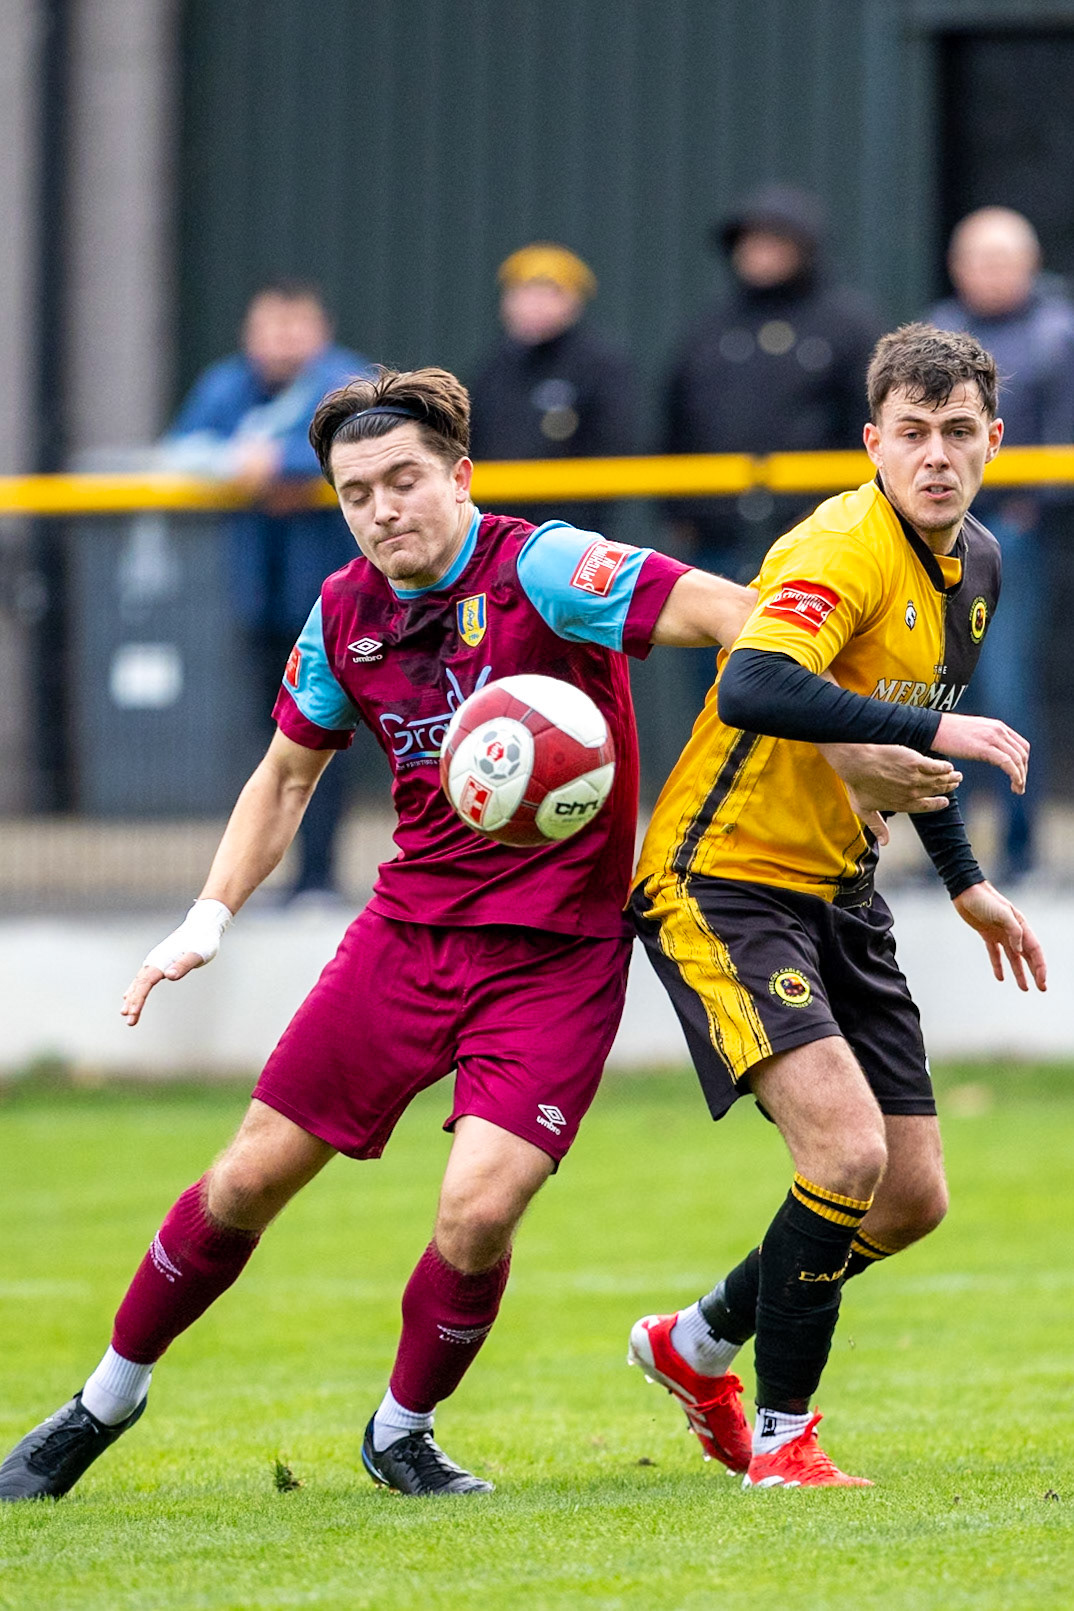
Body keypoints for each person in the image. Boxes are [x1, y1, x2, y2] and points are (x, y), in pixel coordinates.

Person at [0, 363, 769, 1503]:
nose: (382, 510)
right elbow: (283, 779)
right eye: (356, 492)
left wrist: (831, 736)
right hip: (406, 942)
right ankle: (104, 1399)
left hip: (557, 957)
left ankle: (401, 1430)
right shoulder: (342, 613)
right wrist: (207, 918)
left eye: (403, 480)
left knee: (480, 1206)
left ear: (460, 476)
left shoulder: (547, 568)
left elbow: (733, 614)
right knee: (247, 1179)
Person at [626, 324, 1047, 1489]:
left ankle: (695, 1340)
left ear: (993, 442)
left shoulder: (982, 568)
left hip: (838, 890)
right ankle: (782, 1443)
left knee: (910, 1198)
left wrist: (968, 885)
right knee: (848, 1152)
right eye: (911, 434)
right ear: (874, 442)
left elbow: (899, 746)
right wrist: (935, 729)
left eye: (959, 433)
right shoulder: (842, 544)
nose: (936, 457)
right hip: (724, 880)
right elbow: (753, 680)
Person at [161, 279, 373, 901]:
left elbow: (362, 445)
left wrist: (280, 463)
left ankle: (321, 877)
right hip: (258, 597)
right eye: (270, 327)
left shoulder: (348, 382)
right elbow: (180, 451)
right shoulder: (228, 384)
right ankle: (275, 879)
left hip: (341, 601)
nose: (282, 341)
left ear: (321, 330)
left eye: (295, 326)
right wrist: (237, 465)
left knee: (335, 735)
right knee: (276, 742)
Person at [928, 207, 1074, 881]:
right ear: (958, 267)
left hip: (1014, 532)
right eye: (976, 260)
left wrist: (1025, 507)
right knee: (934, 688)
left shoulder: (1058, 333)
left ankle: (1018, 848)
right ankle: (943, 849)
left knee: (1007, 687)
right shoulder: (934, 333)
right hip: (932, 532)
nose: (988, 273)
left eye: (1001, 259)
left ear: (1028, 262)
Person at [662, 184, 883, 587]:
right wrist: (678, 511)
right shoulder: (710, 327)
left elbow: (870, 416)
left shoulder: (846, 324)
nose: (760, 253)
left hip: (820, 530)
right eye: (750, 242)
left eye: (774, 240)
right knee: (713, 645)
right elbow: (678, 417)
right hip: (717, 533)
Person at [469, 243, 636, 533]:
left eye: (550, 294)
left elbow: (617, 442)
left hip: (573, 527)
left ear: (574, 303)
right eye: (523, 293)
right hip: (497, 524)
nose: (534, 304)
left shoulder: (599, 365)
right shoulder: (492, 368)